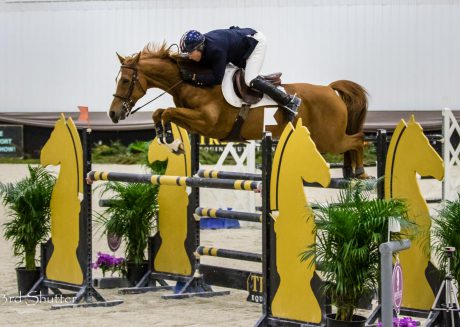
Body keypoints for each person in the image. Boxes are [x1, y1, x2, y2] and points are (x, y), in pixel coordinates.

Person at [179, 27, 300, 119]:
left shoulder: (216, 50)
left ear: (200, 47)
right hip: (240, 45)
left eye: (190, 53)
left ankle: (289, 101)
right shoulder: (204, 45)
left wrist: (194, 77)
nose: (189, 56)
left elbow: (217, 79)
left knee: (250, 79)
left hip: (256, 44)